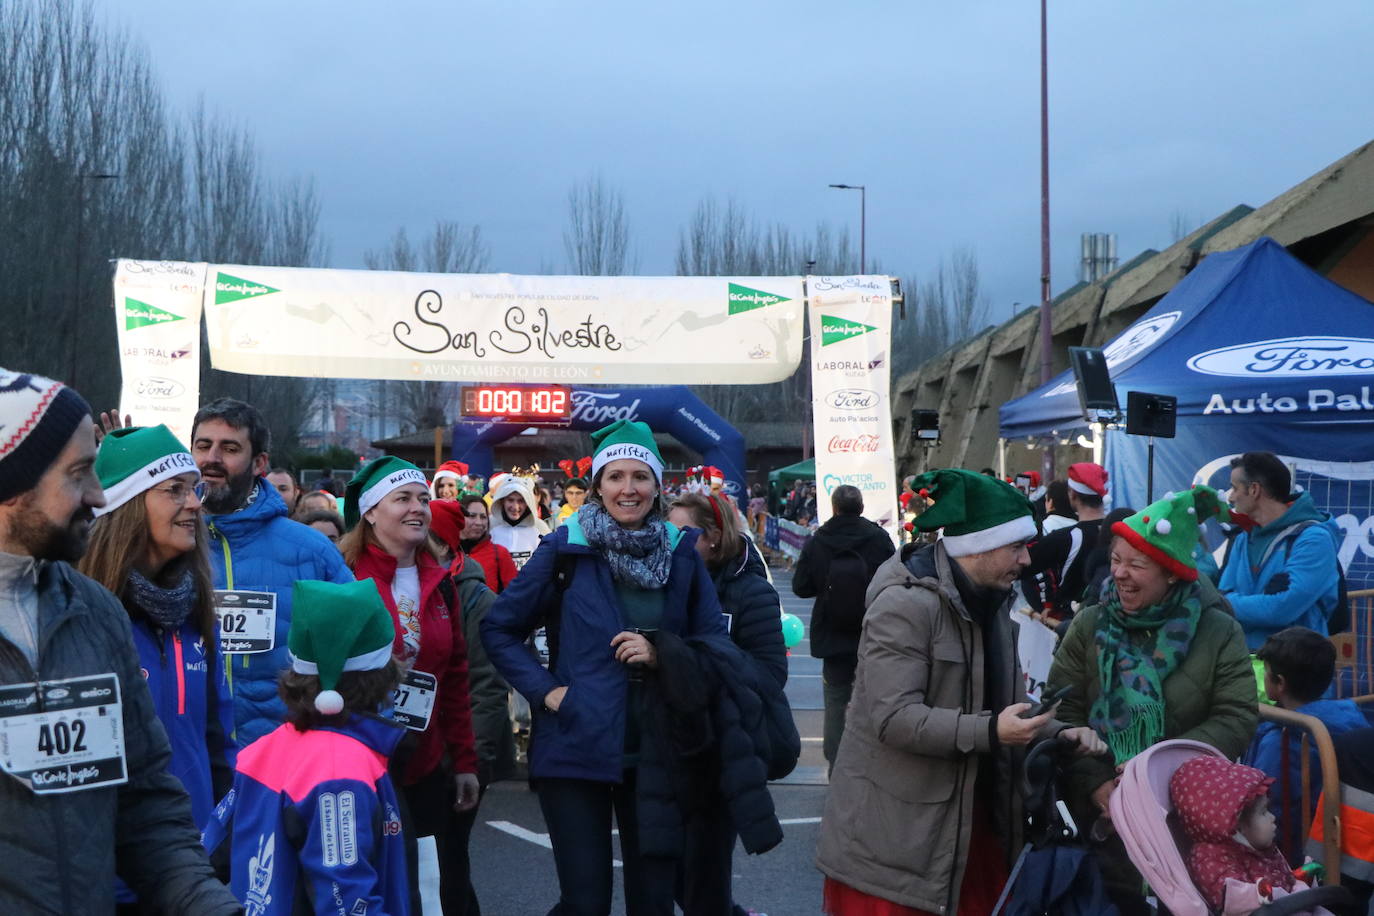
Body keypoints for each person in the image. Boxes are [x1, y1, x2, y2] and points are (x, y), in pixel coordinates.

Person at [0, 368, 238, 913]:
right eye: (79, 472)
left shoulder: (93, 613)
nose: (98, 493)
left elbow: (144, 806)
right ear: (14, 483)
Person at [816, 468, 1105, 916]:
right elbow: (894, 719)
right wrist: (993, 731)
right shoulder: (906, 605)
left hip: (968, 833)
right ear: (978, 548)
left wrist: (1057, 732)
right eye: (1016, 547)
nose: (1027, 560)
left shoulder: (992, 603)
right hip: (897, 850)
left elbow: (1003, 704)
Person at [482, 419, 732, 916]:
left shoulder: (681, 553)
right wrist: (548, 693)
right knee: (585, 903)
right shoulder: (566, 548)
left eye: (640, 477)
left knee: (653, 903)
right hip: (576, 743)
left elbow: (714, 645)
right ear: (597, 485)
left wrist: (664, 653)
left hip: (659, 752)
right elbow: (500, 630)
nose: (628, 489)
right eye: (615, 476)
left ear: (658, 486)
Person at [1045, 485, 1258, 915]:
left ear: (1172, 572)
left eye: (1136, 565)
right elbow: (1062, 709)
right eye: (1115, 561)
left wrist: (1157, 774)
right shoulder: (1089, 624)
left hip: (1186, 817)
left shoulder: (1218, 631)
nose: (1119, 574)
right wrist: (1097, 787)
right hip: (1099, 818)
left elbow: (1235, 716)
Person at [79, 425, 237, 909]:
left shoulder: (192, 613)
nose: (194, 503)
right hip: (107, 881)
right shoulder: (85, 618)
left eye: (195, 489)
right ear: (124, 508)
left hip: (192, 874)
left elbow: (218, 741)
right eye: (175, 490)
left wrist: (226, 837)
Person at [204, 579, 409, 915]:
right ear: (381, 671)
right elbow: (346, 902)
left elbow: (209, 852)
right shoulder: (342, 769)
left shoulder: (264, 749)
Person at [342, 456, 481, 914]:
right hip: (360, 768)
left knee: (435, 889)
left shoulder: (440, 583)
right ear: (369, 511)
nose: (418, 508)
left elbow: (455, 678)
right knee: (370, 887)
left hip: (426, 765)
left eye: (423, 498)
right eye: (402, 498)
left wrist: (464, 760)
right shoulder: (344, 576)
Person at [191, 398, 355, 745]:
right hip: (194, 771)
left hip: (284, 766)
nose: (212, 459)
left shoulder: (312, 552)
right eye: (203, 446)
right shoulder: (164, 545)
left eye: (230, 447)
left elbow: (363, 659)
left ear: (259, 463)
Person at [667, 490, 795, 915]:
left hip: (722, 748)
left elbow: (771, 674)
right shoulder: (665, 581)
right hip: (669, 746)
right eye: (668, 532)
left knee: (703, 880)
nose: (673, 542)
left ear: (714, 537)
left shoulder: (751, 591)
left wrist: (704, 661)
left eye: (684, 533)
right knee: (672, 876)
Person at [792, 484, 895, 773]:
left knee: (836, 700)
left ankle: (837, 764)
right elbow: (895, 580)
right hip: (873, 630)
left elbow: (800, 587)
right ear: (862, 507)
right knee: (876, 697)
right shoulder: (879, 538)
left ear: (834, 508)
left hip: (832, 632)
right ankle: (875, 761)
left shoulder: (819, 540)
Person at [1243, 626, 1366, 855]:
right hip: (1341, 846)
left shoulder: (1282, 739)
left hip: (1293, 856)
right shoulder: (1351, 718)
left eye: (1266, 673)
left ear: (1279, 683)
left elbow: (1266, 803)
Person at [429, 499, 518, 788]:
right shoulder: (410, 587)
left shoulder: (479, 600)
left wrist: (470, 761)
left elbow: (487, 687)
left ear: (442, 546)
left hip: (456, 754)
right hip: (419, 752)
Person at [1220, 452, 1343, 649]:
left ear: (1254, 490)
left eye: (1235, 488)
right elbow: (1222, 597)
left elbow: (1282, 610)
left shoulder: (1314, 538)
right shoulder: (1243, 538)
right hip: (1245, 666)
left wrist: (1230, 603)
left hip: (1296, 670)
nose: (1231, 496)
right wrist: (1264, 601)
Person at [1170, 757, 1312, 913]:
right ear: (1238, 826)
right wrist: (1265, 894)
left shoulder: (1260, 850)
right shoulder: (1208, 859)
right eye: (1264, 812)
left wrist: (1299, 882)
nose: (1273, 817)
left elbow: (1286, 882)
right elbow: (1233, 898)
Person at [1019, 461, 1110, 623]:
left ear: (1072, 494)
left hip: (1071, 623)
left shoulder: (1065, 538)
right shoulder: (1120, 531)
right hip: (1112, 620)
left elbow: (1024, 566)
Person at [488, 471, 550, 570]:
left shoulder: (540, 527)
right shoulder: (491, 525)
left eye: (521, 501)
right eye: (510, 500)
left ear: (528, 502)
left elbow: (548, 563)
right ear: (502, 501)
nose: (515, 507)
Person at [459, 493, 518, 594]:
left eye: (483, 517)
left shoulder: (500, 553)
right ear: (459, 517)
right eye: (472, 516)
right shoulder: (446, 552)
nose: (479, 522)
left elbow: (514, 595)